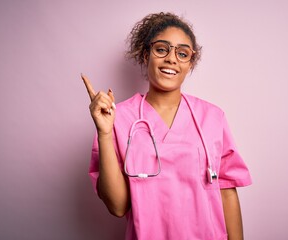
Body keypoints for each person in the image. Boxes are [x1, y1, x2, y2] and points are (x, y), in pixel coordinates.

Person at [82, 12, 252, 240]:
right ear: (145, 55)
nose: (172, 59)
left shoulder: (212, 118)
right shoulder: (117, 118)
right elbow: (118, 207)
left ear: (190, 63)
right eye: (162, 49)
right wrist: (104, 133)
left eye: (182, 54)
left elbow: (227, 194)